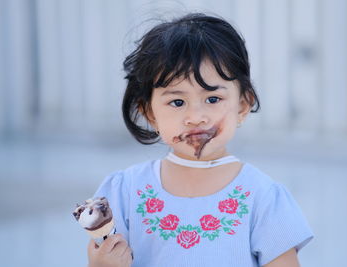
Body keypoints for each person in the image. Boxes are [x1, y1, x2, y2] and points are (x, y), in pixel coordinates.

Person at [87, 13, 313, 267]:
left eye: (213, 99)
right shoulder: (124, 193)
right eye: (177, 102)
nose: (195, 117)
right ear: (150, 113)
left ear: (242, 105)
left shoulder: (263, 198)